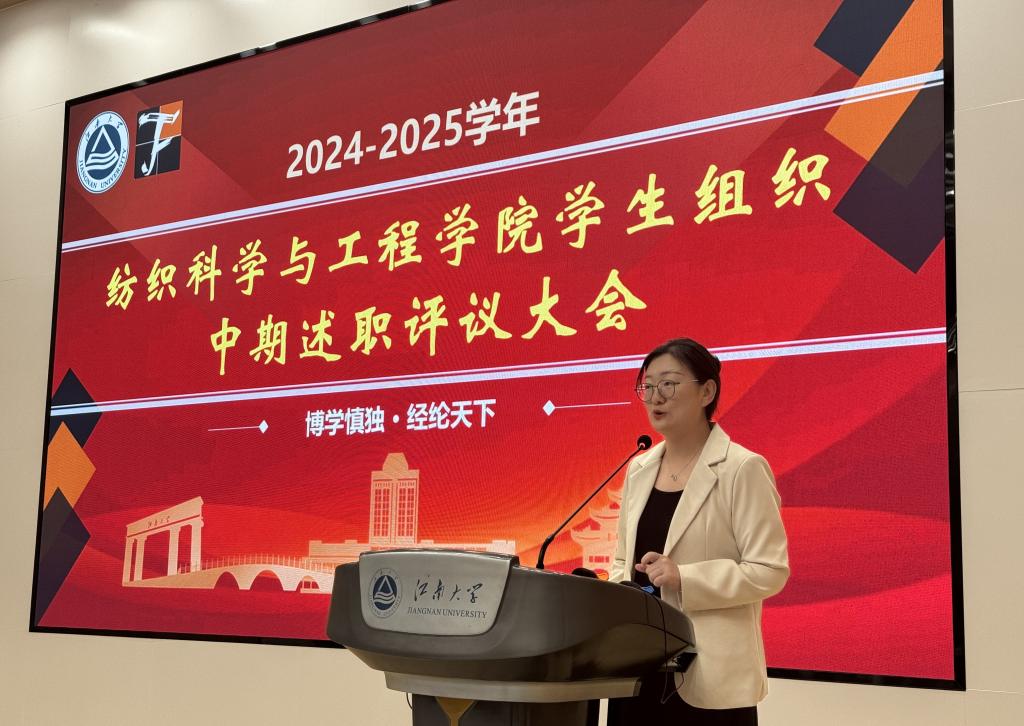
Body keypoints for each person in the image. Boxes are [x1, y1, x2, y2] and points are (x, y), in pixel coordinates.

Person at [608, 338, 789, 725]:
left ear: (707, 391)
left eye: (669, 384)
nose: (656, 396)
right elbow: (623, 560)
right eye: (647, 386)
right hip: (638, 670)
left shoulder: (741, 468)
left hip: (710, 679)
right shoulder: (639, 469)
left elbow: (769, 570)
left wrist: (685, 578)